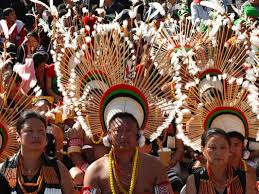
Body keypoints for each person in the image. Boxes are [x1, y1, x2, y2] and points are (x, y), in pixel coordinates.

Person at [83, 112, 174, 194]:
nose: (123, 136)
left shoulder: (155, 166)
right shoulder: (95, 171)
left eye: (128, 131)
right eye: (118, 131)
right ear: (109, 135)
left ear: (137, 135)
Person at [0, 110, 75, 194]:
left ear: (46, 138)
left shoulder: (59, 169)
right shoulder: (3, 170)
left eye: (40, 131)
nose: (36, 135)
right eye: (30, 131)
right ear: (18, 136)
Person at [186, 128, 247, 194]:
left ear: (229, 150)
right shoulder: (193, 181)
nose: (218, 153)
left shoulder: (244, 178)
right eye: (212, 147)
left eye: (223, 147)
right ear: (203, 150)